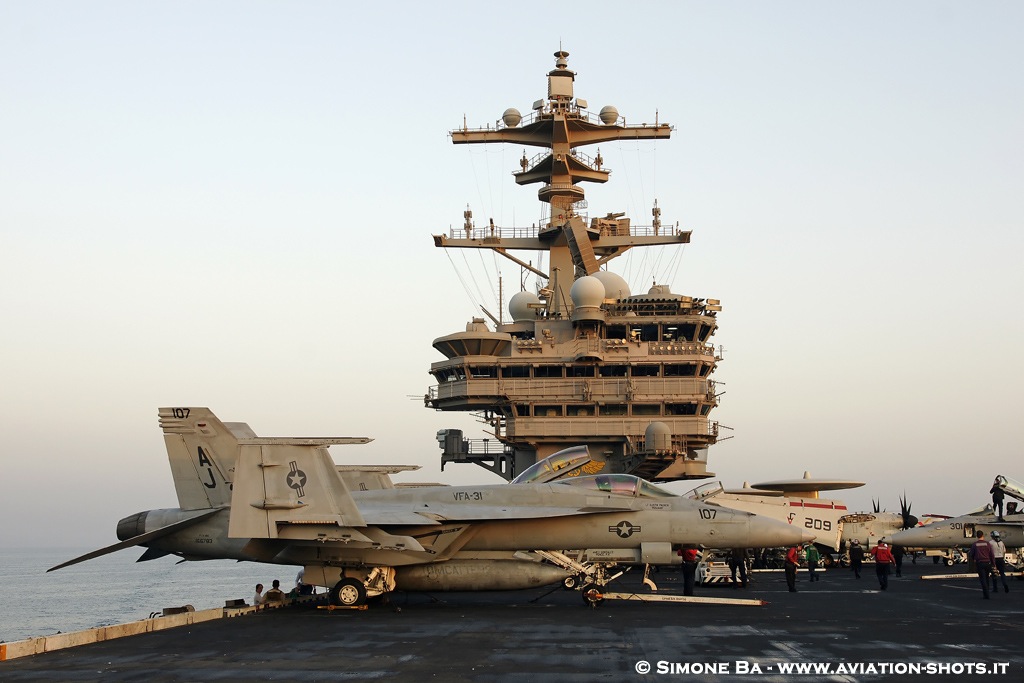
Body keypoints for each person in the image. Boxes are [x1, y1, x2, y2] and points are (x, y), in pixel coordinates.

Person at [968, 530, 994, 599]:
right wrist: (993, 563)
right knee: (987, 578)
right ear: (983, 535)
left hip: (980, 563)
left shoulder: (975, 544)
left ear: (977, 536)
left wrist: (974, 559)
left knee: (983, 579)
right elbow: (991, 554)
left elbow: (971, 554)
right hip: (987, 562)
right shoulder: (987, 543)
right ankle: (987, 592)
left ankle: (986, 594)